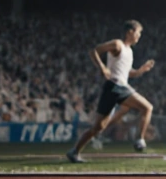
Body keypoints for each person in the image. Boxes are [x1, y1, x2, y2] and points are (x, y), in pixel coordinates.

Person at [66, 20, 155, 163]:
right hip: (115, 87)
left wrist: (140, 70)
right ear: (130, 32)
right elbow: (94, 51)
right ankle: (140, 140)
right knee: (147, 107)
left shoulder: (129, 51)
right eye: (138, 32)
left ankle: (74, 151)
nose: (139, 36)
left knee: (98, 127)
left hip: (116, 87)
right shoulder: (117, 44)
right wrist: (102, 68)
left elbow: (126, 73)